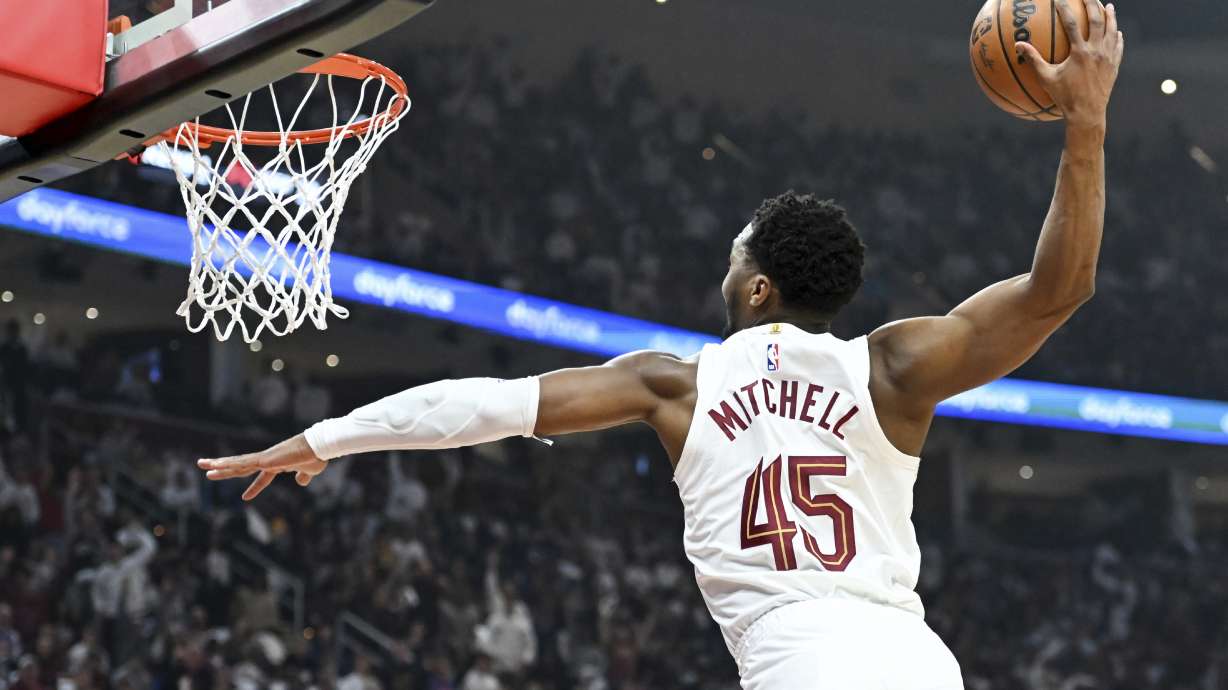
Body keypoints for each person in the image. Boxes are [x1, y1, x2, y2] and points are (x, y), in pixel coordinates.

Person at [197, 4, 1124, 688]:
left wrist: (323, 439)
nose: (721, 270)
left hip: (798, 665)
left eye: (732, 258)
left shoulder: (671, 385)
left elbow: (484, 404)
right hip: (919, 664)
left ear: (758, 286)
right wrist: (1085, 123)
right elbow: (1060, 289)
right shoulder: (891, 368)